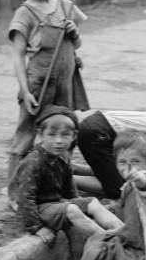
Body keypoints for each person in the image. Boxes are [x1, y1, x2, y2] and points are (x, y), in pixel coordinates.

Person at [7, 0, 89, 202]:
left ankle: (57, 186)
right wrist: (25, 90)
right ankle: (15, 193)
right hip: (38, 84)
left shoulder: (66, 5)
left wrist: (74, 34)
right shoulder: (25, 13)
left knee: (64, 133)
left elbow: (75, 46)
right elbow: (18, 55)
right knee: (26, 137)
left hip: (65, 83)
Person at [68, 130, 146, 260]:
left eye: (136, 162)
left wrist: (138, 177)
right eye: (122, 162)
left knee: (95, 247)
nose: (128, 168)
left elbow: (144, 184)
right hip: (140, 246)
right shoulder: (127, 186)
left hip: (143, 256)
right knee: (99, 238)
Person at [14, 105, 121, 246]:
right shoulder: (33, 162)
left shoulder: (62, 156)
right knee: (72, 209)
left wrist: (82, 206)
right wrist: (37, 227)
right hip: (39, 210)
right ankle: (109, 243)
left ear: (73, 136)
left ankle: (122, 232)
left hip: (56, 204)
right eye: (52, 135)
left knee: (92, 202)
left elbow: (70, 189)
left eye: (65, 135)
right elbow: (25, 199)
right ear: (41, 135)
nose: (58, 141)